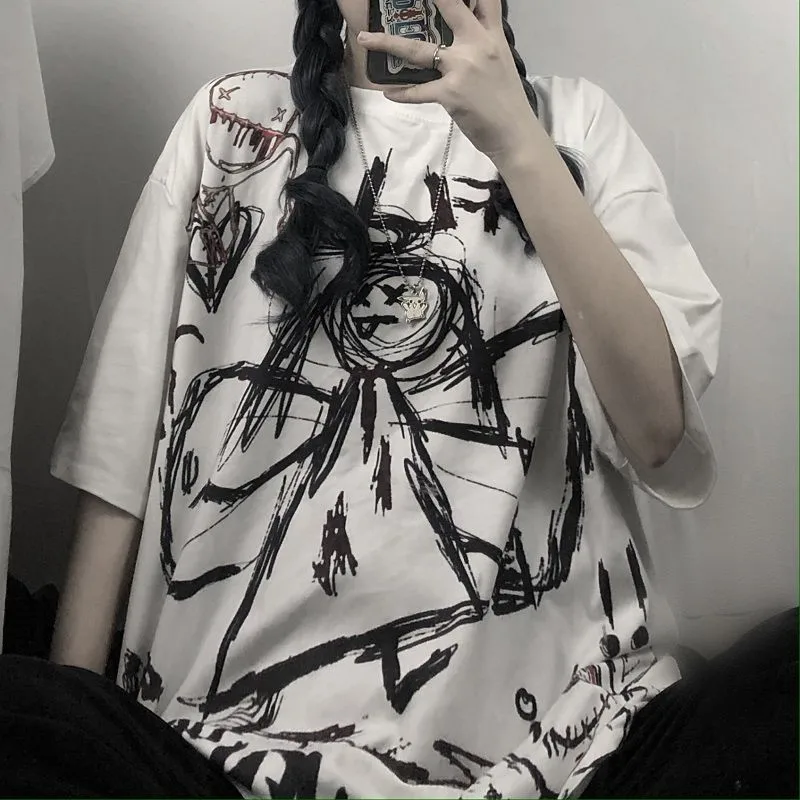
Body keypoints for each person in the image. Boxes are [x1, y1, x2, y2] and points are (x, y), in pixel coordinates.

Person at [1, 0, 795, 797]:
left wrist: (518, 143)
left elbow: (657, 433)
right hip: (217, 756)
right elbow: (118, 459)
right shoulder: (231, 125)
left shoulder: (576, 126)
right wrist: (77, 714)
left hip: (558, 756)